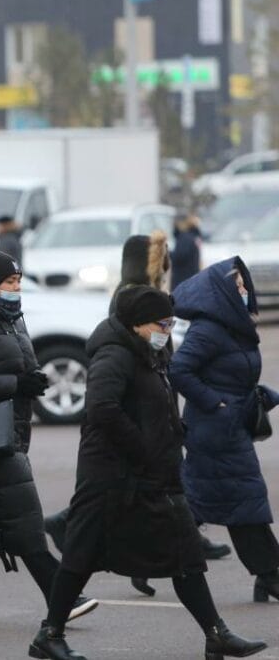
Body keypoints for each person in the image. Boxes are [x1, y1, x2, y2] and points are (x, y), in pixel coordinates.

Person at [27, 286, 267, 660]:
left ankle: (215, 634)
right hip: (110, 476)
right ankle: (49, 635)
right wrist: (143, 449)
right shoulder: (114, 355)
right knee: (80, 556)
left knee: (186, 552)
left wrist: (172, 437)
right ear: (137, 324)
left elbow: (156, 405)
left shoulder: (150, 351)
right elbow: (102, 410)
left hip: (154, 474)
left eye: (171, 323)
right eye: (162, 323)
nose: (167, 330)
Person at [43, 230, 231, 592]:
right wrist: (144, 438)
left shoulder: (143, 297)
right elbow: (107, 401)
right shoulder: (131, 302)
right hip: (133, 432)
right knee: (95, 531)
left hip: (152, 415)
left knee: (146, 508)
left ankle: (185, 570)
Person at [0, 249, 97, 624]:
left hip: (10, 433)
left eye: (18, 281)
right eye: (10, 282)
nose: (16, 287)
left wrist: (33, 381)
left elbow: (21, 366)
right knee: (25, 518)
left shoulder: (11, 320)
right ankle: (62, 597)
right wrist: (14, 384)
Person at [170, 258, 279, 604]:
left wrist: (257, 397)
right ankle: (270, 575)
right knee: (244, 500)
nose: (245, 292)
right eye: (239, 287)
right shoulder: (210, 329)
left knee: (212, 501)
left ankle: (268, 575)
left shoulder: (233, 326)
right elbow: (179, 369)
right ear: (221, 293)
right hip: (215, 431)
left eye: (245, 286)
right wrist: (215, 402)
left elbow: (235, 374)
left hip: (229, 428)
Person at [170, 213, 202, 291]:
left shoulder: (184, 238)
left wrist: (167, 253)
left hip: (182, 281)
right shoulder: (193, 236)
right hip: (191, 279)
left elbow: (179, 256)